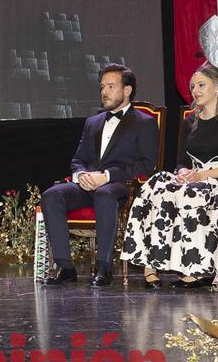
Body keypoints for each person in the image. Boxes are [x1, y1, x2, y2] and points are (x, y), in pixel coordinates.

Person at [120, 63, 218, 288]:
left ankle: (196, 269)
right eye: (193, 87)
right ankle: (151, 264)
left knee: (191, 196)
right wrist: (183, 172)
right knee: (156, 186)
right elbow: (181, 159)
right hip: (192, 177)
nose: (195, 91)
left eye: (201, 85)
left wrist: (201, 176)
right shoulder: (190, 120)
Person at [41, 64, 159, 287]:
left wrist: (106, 176)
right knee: (51, 195)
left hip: (119, 185)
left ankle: (104, 267)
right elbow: (77, 159)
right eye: (102, 87)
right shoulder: (92, 122)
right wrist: (81, 175)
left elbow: (146, 165)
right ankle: (65, 267)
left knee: (105, 195)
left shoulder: (145, 123)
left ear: (127, 90)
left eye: (111, 86)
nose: (104, 91)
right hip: (87, 185)